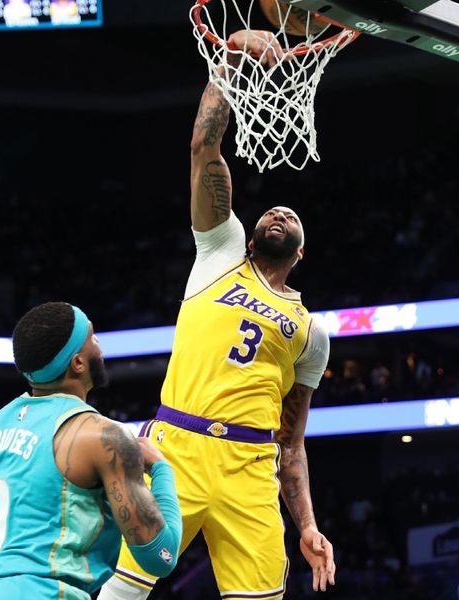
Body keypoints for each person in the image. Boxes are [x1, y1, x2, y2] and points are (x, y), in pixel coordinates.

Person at [99, 29, 334, 600]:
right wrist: (228, 61)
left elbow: (294, 439)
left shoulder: (312, 332)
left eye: (292, 215)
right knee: (127, 586)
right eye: (272, 209)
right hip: (177, 446)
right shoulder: (220, 252)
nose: (279, 211)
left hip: (253, 468)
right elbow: (205, 147)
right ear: (250, 235)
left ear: (300, 251)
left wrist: (306, 524)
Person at [0, 302, 182, 599]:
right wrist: (161, 468)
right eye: (92, 336)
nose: (98, 343)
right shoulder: (103, 436)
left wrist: (1, 573)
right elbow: (161, 557)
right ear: (78, 363)